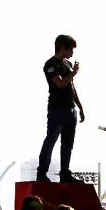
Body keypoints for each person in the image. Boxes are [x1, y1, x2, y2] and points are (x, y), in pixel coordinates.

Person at [36, 34, 85, 183]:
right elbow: (60, 83)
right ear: (63, 48)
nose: (72, 53)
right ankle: (42, 173)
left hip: (71, 109)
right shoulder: (51, 64)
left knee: (68, 144)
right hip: (57, 110)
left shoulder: (67, 64)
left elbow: (71, 87)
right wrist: (74, 73)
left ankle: (65, 173)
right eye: (71, 49)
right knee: (51, 140)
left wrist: (80, 107)